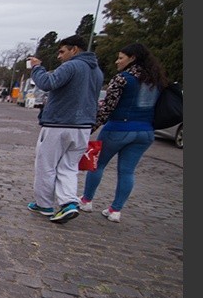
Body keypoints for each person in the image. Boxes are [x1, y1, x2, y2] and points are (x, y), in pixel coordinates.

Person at [78, 43, 168, 223]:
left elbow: (107, 108)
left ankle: (87, 200)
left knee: (98, 165)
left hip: (119, 128)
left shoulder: (122, 79)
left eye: (121, 58)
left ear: (132, 58)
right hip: (145, 131)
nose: (117, 61)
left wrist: (90, 128)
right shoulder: (156, 81)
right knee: (127, 171)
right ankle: (115, 210)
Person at [26, 34, 103, 223]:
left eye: (62, 51)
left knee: (46, 165)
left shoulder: (71, 66)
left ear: (74, 49)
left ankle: (44, 204)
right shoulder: (97, 72)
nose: (59, 56)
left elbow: (47, 83)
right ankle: (68, 202)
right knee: (69, 167)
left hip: (59, 124)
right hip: (83, 126)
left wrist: (36, 67)